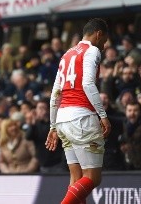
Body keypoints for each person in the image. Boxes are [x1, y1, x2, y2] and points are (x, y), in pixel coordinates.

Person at [45, 18, 112, 204]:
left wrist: (53, 125)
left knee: (77, 179)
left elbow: (55, 93)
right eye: (104, 41)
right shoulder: (92, 51)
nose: (104, 46)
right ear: (99, 34)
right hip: (82, 119)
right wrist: (103, 115)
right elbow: (88, 83)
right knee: (92, 177)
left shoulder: (66, 54)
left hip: (63, 120)